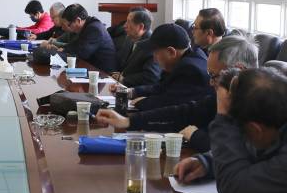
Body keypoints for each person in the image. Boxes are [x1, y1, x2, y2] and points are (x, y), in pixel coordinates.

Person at [98, 33, 257, 149]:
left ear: (239, 70)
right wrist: (129, 121)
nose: (210, 82)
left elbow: (233, 149)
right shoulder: (227, 94)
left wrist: (197, 136)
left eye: (214, 75)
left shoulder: (259, 104)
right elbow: (185, 111)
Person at [126, 23, 211, 110]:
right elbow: (162, 87)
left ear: (171, 52)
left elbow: (167, 103)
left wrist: (140, 103)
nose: (154, 59)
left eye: (156, 52)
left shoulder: (191, 70)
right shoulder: (191, 55)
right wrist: (133, 92)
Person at [54, 4, 118, 73]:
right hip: (92, 68)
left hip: (104, 73)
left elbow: (82, 52)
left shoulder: (94, 29)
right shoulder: (87, 26)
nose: (64, 28)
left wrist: (63, 50)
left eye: (68, 25)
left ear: (78, 20)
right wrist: (64, 48)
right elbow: (75, 44)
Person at [110, 8, 161, 88]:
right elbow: (123, 64)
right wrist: (118, 74)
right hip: (122, 86)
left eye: (129, 22)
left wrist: (124, 79)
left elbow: (151, 77)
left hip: (139, 91)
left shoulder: (153, 45)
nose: (124, 26)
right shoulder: (129, 38)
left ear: (140, 27)